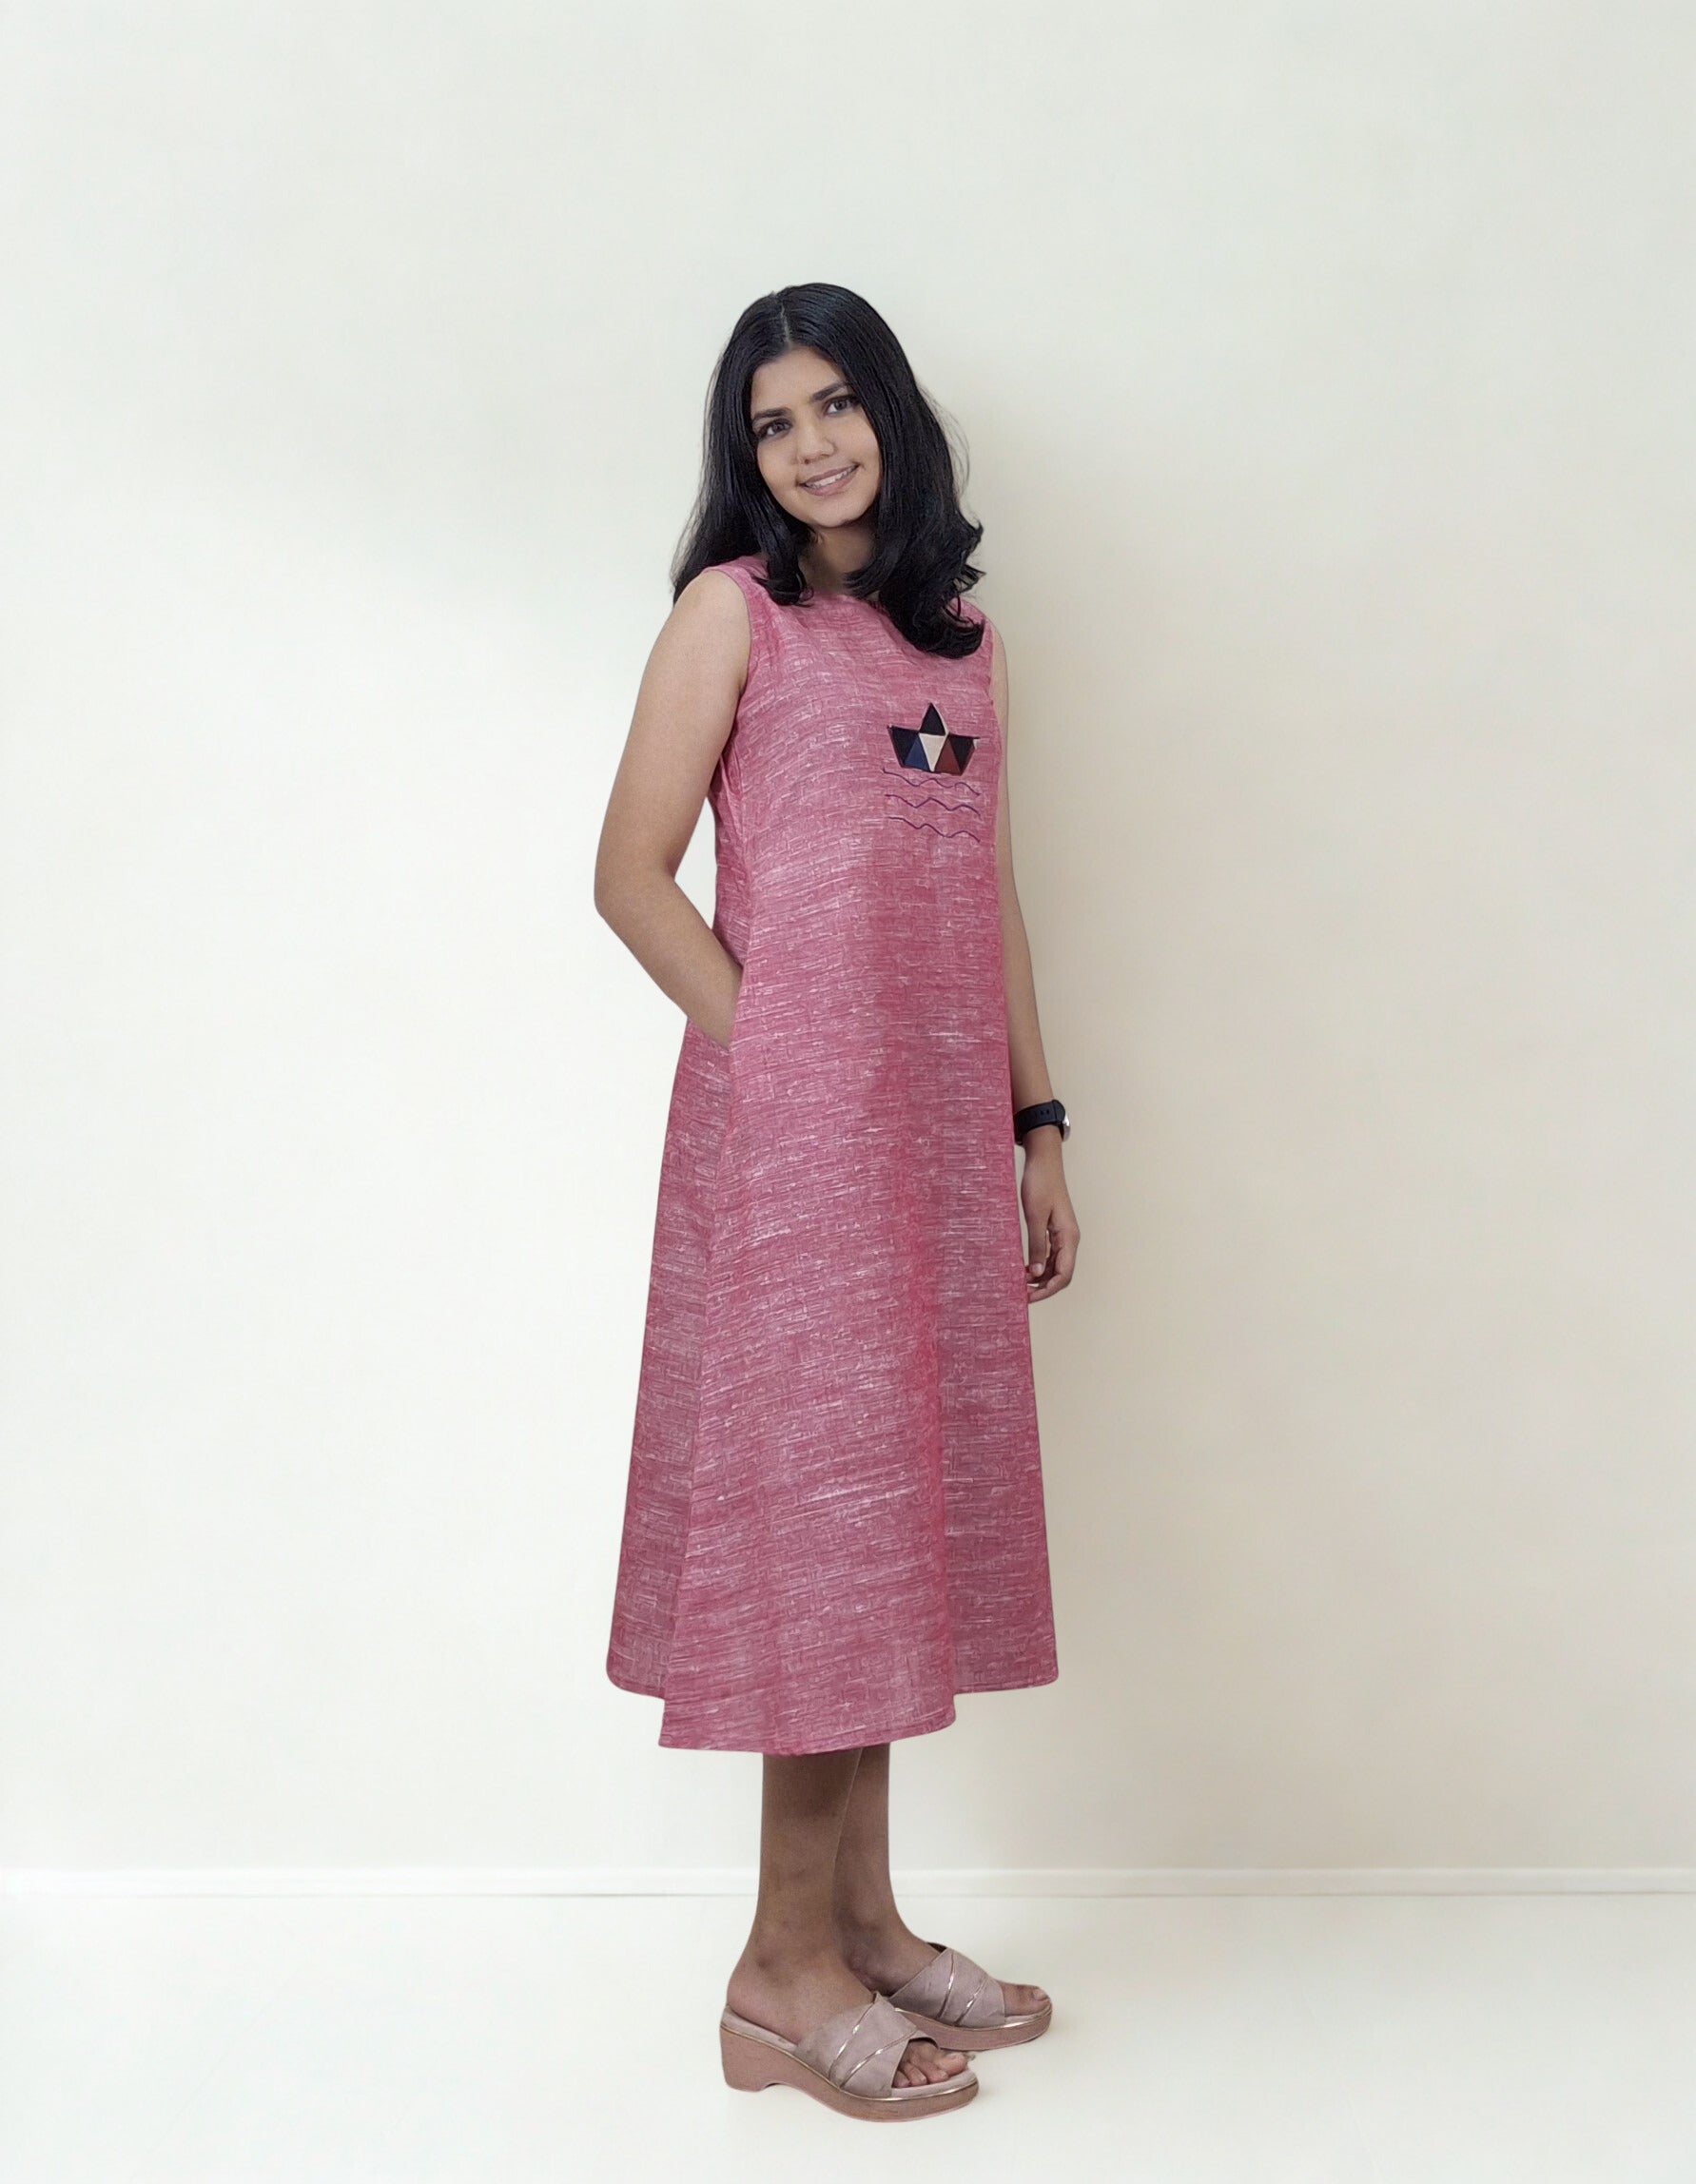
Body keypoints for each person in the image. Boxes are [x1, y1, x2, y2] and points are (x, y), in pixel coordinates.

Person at [594, 283, 1080, 2121]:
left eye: (836, 404)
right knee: (816, 1538)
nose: (812, 445)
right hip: (799, 1155)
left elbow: (989, 894)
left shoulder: (966, 644)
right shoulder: (734, 618)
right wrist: (780, 1052)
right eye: (773, 422)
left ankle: (863, 1924)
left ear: (893, 413)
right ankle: (777, 1975)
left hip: (938, 1151)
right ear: (749, 457)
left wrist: (1037, 1122)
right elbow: (629, 875)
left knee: (894, 1533)